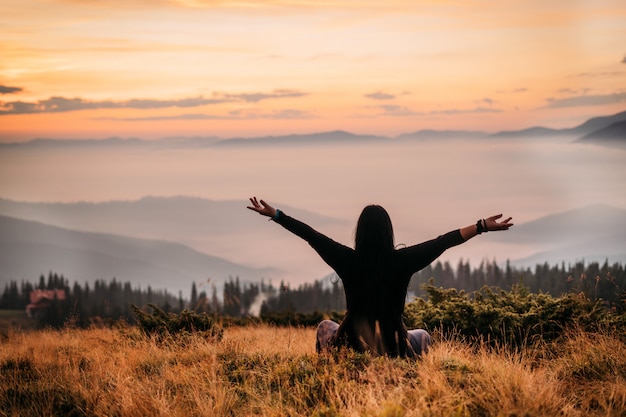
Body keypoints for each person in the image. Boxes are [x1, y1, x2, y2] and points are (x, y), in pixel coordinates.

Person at [247, 197, 513, 358]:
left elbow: (310, 235)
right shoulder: (404, 260)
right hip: (395, 345)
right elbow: (443, 242)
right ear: (389, 231)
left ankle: (328, 372)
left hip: (348, 344)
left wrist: (277, 215)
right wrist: (481, 227)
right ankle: (412, 377)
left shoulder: (346, 258)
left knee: (324, 327)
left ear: (359, 231)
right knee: (423, 336)